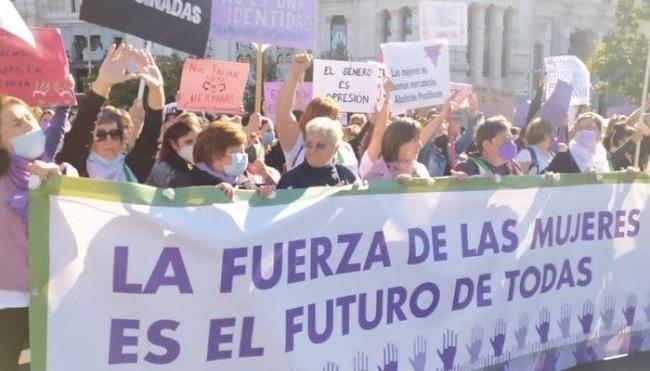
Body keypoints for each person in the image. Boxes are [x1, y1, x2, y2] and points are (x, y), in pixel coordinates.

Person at [0, 95, 70, 371]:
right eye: (16, 123)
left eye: (29, 118)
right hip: (6, 299)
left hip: (50, 295)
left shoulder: (57, 172)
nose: (27, 126)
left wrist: (59, 185)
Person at [57, 44, 164, 183]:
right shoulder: (76, 165)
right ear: (90, 140)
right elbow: (85, 121)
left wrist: (157, 89)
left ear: (122, 139)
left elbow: (152, 131)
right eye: (100, 135)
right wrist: (103, 82)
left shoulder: (133, 169)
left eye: (115, 135)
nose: (109, 140)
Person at [275, 53, 358, 174]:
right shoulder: (298, 143)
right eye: (318, 116)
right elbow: (283, 113)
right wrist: (294, 74)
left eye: (331, 117)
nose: (324, 124)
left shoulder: (345, 148)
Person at [360, 82, 447, 182]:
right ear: (398, 142)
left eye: (419, 139)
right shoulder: (375, 168)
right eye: (414, 140)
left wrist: (459, 183)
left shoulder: (420, 169)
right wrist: (387, 99)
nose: (420, 145)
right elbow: (378, 136)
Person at [169, 121, 276, 198]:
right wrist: (212, 194)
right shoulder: (184, 183)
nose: (243, 156)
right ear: (216, 155)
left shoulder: (245, 184)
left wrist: (264, 191)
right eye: (236, 152)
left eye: (243, 151)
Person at [278, 117, 357, 189]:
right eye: (309, 144)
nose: (313, 151)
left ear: (335, 148)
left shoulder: (346, 176)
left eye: (320, 146)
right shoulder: (290, 180)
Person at [418, 95, 482, 177]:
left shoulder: (450, 149)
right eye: (436, 126)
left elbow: (468, 136)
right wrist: (440, 116)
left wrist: (472, 115)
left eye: (442, 124)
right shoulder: (423, 149)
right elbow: (422, 139)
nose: (439, 127)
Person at [455, 115, 523, 177]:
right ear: (487, 144)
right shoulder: (466, 168)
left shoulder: (514, 166)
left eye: (511, 139)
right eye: (505, 139)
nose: (510, 143)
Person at [146, 113, 201, 188]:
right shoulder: (160, 169)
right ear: (174, 144)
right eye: (189, 142)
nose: (194, 146)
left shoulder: (199, 166)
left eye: (198, 141)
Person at [545, 112, 611, 174]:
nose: (584, 131)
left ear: (599, 132)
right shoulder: (564, 156)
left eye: (590, 128)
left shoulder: (604, 155)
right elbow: (543, 179)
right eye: (580, 128)